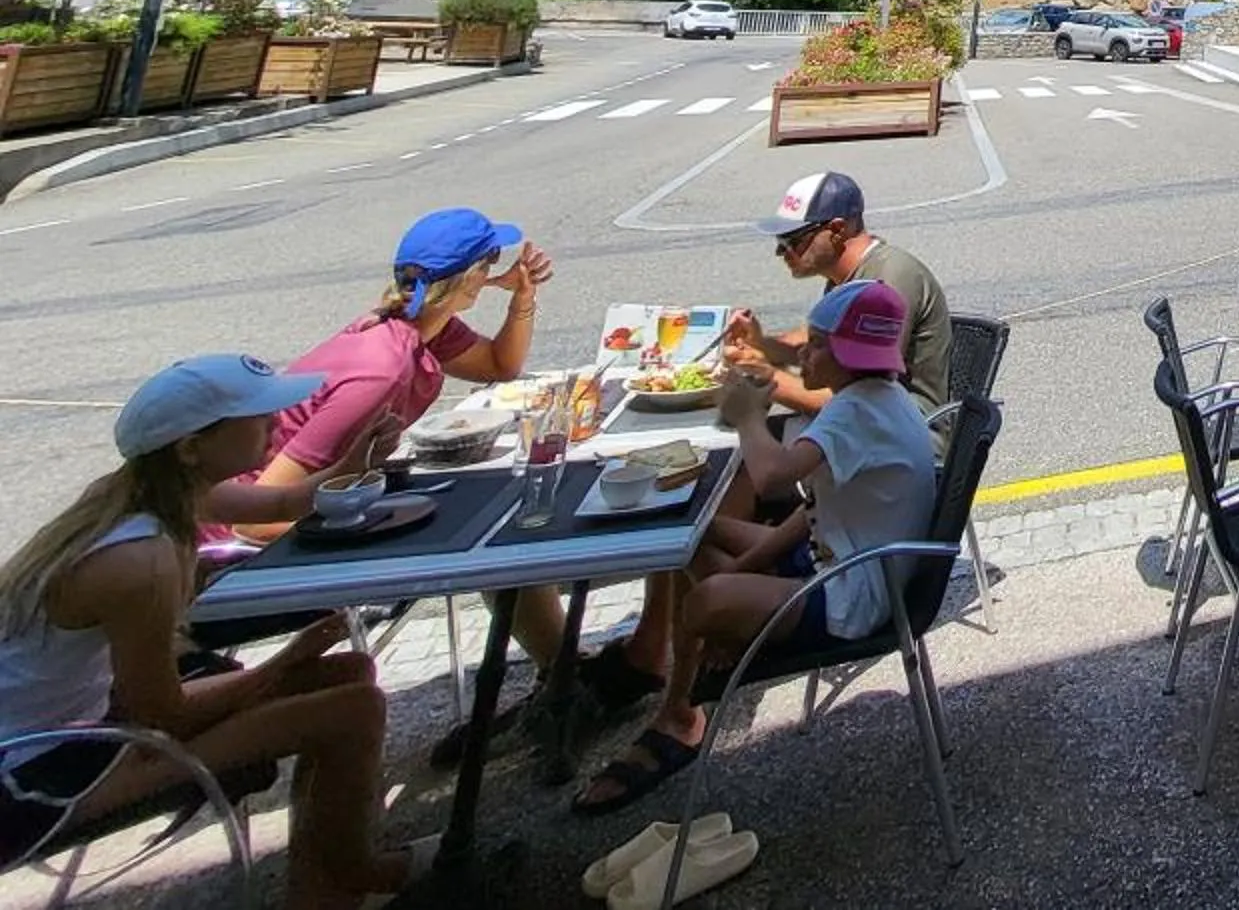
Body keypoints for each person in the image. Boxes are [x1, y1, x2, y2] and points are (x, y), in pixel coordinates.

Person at [0, 355, 434, 906]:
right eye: (256, 417)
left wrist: (356, 459)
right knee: (353, 709)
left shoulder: (145, 493)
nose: (275, 424)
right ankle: (343, 881)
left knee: (350, 674)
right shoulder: (141, 561)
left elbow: (284, 500)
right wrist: (281, 667)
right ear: (190, 448)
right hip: (29, 777)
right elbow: (162, 715)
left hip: (73, 730)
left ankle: (332, 880)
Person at [211, 208, 568, 759]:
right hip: (234, 564)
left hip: (313, 509)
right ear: (470, 277)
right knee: (486, 533)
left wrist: (522, 297)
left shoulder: (420, 325)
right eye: (490, 261)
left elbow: (500, 364)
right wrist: (381, 521)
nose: (496, 268)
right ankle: (567, 682)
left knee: (488, 522)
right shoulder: (378, 368)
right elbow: (254, 517)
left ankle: (565, 675)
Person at [571, 281, 939, 815]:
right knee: (695, 538)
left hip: (851, 593)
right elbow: (807, 510)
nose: (803, 355)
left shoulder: (853, 414)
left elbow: (770, 479)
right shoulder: (877, 400)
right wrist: (744, 571)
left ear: (846, 357)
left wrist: (746, 416)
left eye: (815, 345)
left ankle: (683, 710)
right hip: (840, 554)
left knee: (703, 601)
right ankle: (733, 631)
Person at [721, 173, 952, 417]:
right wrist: (758, 344)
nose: (781, 252)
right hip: (864, 429)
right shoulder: (844, 278)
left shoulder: (884, 284)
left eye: (793, 240)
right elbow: (817, 347)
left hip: (905, 439)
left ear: (837, 230)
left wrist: (763, 375)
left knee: (753, 440)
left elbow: (848, 398)